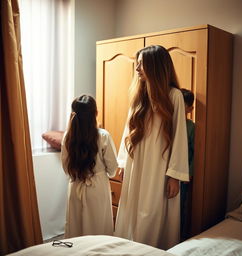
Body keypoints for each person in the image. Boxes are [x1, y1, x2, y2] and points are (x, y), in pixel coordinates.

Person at [114, 45, 189, 250]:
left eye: (141, 64)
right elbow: (127, 132)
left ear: (155, 66)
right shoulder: (139, 97)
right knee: (132, 210)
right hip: (136, 163)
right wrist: (122, 162)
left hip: (160, 166)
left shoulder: (174, 96)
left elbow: (180, 137)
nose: (137, 68)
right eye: (137, 63)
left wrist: (174, 175)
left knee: (151, 212)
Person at [61, 94, 118, 238]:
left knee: (76, 228)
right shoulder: (103, 136)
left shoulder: (68, 136)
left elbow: (65, 167)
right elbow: (112, 169)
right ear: (95, 113)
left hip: (75, 187)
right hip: (97, 188)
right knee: (98, 230)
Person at [180, 88, 195, 241]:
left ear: (190, 109)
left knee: (180, 207)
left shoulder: (191, 127)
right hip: (165, 172)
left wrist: (189, 172)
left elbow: (195, 151)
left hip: (183, 174)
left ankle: (179, 235)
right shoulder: (168, 123)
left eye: (182, 105)